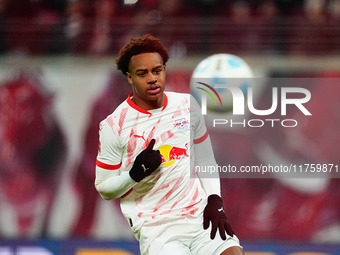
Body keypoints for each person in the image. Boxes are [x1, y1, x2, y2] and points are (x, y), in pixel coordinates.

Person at [94, 34, 243, 255]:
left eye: (157, 70)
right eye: (142, 73)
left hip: (199, 215)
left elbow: (204, 158)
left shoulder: (186, 105)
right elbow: (104, 188)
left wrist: (215, 200)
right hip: (156, 228)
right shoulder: (113, 126)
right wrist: (134, 174)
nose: (152, 78)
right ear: (129, 78)